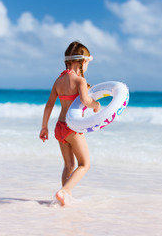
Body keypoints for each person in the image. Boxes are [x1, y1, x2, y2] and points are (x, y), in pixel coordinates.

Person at [39, 41, 100, 206]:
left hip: (59, 127)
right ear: (83, 61)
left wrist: (44, 127)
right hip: (73, 127)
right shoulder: (79, 81)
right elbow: (86, 101)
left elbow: (49, 105)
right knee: (84, 164)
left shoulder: (58, 81)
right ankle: (64, 191)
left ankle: (65, 198)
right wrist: (97, 105)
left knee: (68, 164)